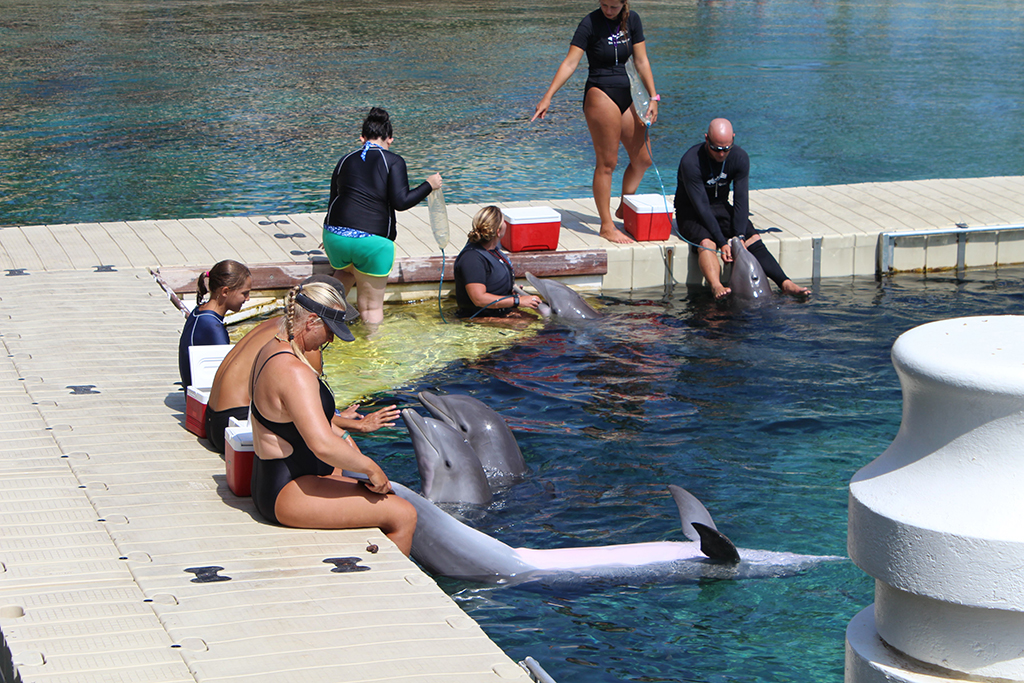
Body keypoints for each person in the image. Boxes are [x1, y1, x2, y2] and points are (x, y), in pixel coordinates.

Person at [248, 281, 417, 554]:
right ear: (311, 322)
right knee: (403, 514)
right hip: (286, 491)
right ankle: (393, 580)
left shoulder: (272, 348)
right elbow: (322, 445)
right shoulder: (293, 371)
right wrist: (372, 468)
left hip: (274, 480)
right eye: (330, 330)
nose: (331, 339)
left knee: (384, 496)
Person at [204, 274, 399, 453]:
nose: (331, 337)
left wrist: (338, 417)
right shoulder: (302, 342)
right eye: (331, 327)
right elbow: (306, 410)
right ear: (314, 319)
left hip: (213, 420)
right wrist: (359, 425)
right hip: (235, 425)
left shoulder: (279, 325)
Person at [532, 0, 659, 244]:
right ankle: (606, 226)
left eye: (613, 7)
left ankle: (625, 206)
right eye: (604, 5)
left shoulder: (632, 20)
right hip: (600, 92)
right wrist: (548, 96)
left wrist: (654, 96)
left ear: (623, 3)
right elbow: (570, 62)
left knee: (643, 159)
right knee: (607, 163)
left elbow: (641, 61)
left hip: (628, 93)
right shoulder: (589, 23)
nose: (608, 11)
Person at [323, 107, 442, 327]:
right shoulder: (393, 161)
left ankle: (322, 316)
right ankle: (372, 347)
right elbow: (401, 202)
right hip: (371, 243)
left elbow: (334, 200)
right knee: (371, 308)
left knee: (347, 271)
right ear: (390, 139)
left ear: (362, 138)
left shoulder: (344, 160)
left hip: (334, 237)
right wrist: (429, 185)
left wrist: (335, 236)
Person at [675, 118, 810, 299]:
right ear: (706, 139)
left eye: (726, 148)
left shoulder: (739, 157)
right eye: (716, 148)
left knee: (752, 237)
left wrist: (739, 236)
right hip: (691, 211)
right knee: (707, 243)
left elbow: (741, 201)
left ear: (733, 138)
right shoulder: (691, 161)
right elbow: (702, 208)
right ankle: (716, 286)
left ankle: (785, 283)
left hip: (720, 206)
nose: (721, 154)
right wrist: (722, 242)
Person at [454, 206, 543, 319]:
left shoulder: (493, 250)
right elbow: (478, 299)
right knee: (532, 325)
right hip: (479, 317)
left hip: (499, 311)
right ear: (498, 232)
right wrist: (517, 301)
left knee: (536, 319)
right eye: (503, 221)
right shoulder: (472, 258)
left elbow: (492, 281)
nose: (506, 224)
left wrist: (510, 291)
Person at [178, 259, 251, 388]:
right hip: (205, 398)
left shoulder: (198, 312)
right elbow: (227, 376)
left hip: (191, 391)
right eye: (244, 293)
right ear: (225, 292)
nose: (248, 298)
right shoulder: (213, 327)